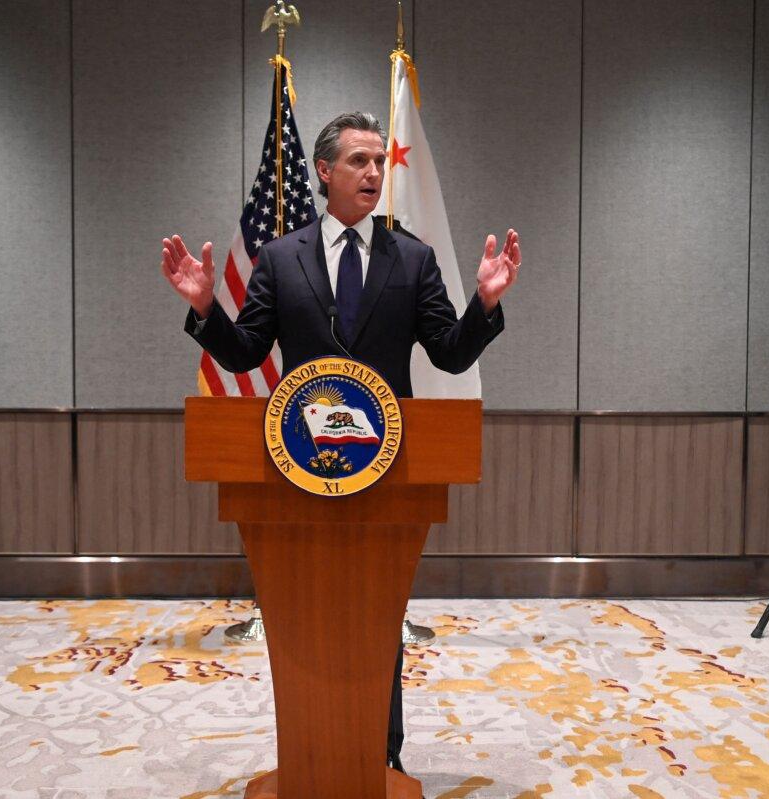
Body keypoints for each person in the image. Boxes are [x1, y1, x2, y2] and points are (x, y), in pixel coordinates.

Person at [160, 111, 521, 775]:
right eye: (358, 160)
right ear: (324, 172)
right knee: (307, 614)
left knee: (375, 613)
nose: (374, 172)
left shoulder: (411, 258)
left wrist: (485, 306)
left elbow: (447, 352)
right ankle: (311, 754)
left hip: (385, 470)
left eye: (380, 160)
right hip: (296, 468)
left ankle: (380, 759)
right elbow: (245, 355)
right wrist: (207, 310)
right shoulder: (280, 256)